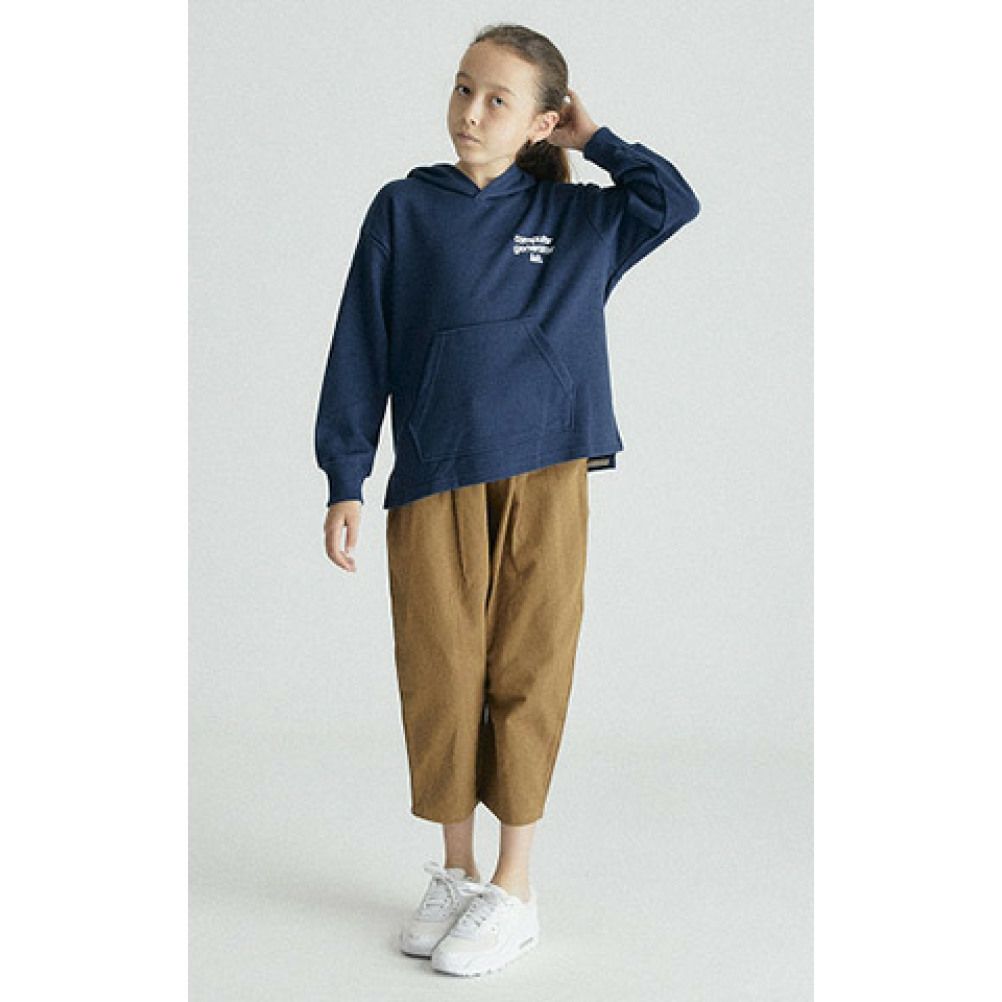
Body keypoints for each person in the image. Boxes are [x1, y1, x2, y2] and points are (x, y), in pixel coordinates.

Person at [313, 22, 700, 977]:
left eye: (498, 100)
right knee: (440, 669)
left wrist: (594, 140)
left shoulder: (579, 219)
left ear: (541, 121)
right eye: (463, 88)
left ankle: (514, 888)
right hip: (435, 473)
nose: (471, 112)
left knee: (529, 667)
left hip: (547, 468)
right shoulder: (405, 208)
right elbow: (360, 343)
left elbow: (672, 199)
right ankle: (456, 872)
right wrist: (345, 476)